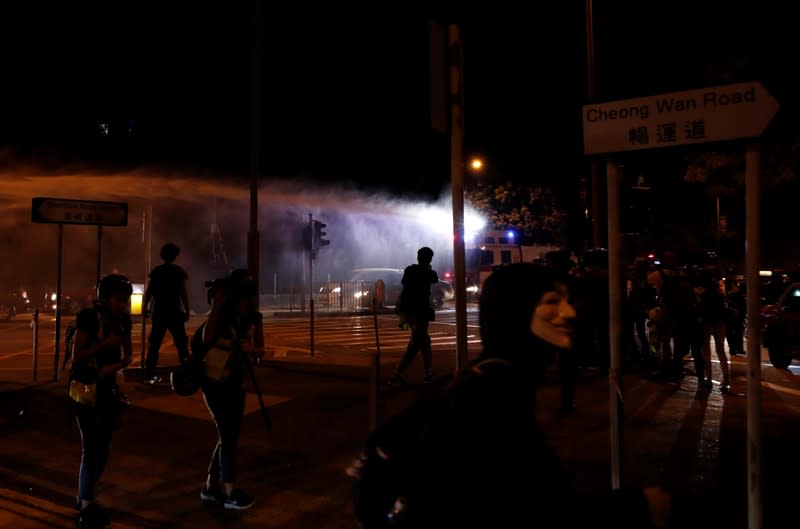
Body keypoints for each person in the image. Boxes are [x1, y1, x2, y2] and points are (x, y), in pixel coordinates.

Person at [412, 263, 671, 528]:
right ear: (517, 312)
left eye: (566, 302)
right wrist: (637, 507)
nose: (568, 313)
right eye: (552, 302)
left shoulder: (497, 380)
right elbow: (530, 509)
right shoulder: (494, 395)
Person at [68, 274, 134, 529]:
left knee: (103, 450)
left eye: (126, 300)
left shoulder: (123, 321)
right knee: (91, 448)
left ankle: (85, 495)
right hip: (84, 390)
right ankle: (85, 503)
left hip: (107, 391)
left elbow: (128, 354)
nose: (123, 305)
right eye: (119, 300)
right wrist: (105, 345)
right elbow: (77, 357)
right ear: (104, 298)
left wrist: (115, 367)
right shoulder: (89, 318)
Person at [195, 269, 264, 510]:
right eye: (242, 297)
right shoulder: (221, 317)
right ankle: (228, 491)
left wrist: (251, 349)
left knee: (228, 436)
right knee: (228, 436)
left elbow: (260, 351)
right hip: (214, 384)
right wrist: (216, 307)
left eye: (248, 298)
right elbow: (206, 339)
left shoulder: (253, 319)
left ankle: (210, 487)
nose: (246, 302)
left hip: (236, 384)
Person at [389, 247, 438, 385]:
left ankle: (426, 373)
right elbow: (434, 279)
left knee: (421, 341)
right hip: (421, 311)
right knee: (418, 342)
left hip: (408, 310)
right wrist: (427, 268)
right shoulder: (429, 273)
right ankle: (397, 374)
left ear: (418, 257)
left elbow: (404, 283)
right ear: (429, 259)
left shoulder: (409, 270)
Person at [143, 242, 190, 384]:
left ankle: (149, 375)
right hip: (175, 312)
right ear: (175, 256)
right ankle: (186, 374)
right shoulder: (178, 272)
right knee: (182, 345)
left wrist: (145, 307)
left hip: (160, 312)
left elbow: (149, 292)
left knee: (154, 345)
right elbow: (183, 293)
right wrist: (187, 310)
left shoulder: (157, 272)